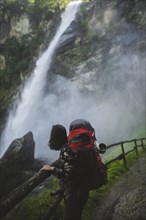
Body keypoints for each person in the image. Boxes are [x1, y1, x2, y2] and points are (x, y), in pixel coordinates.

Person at [41, 119, 107, 220]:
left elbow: (68, 174)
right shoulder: (72, 146)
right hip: (84, 188)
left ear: (55, 138)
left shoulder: (66, 150)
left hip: (75, 193)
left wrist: (52, 169)